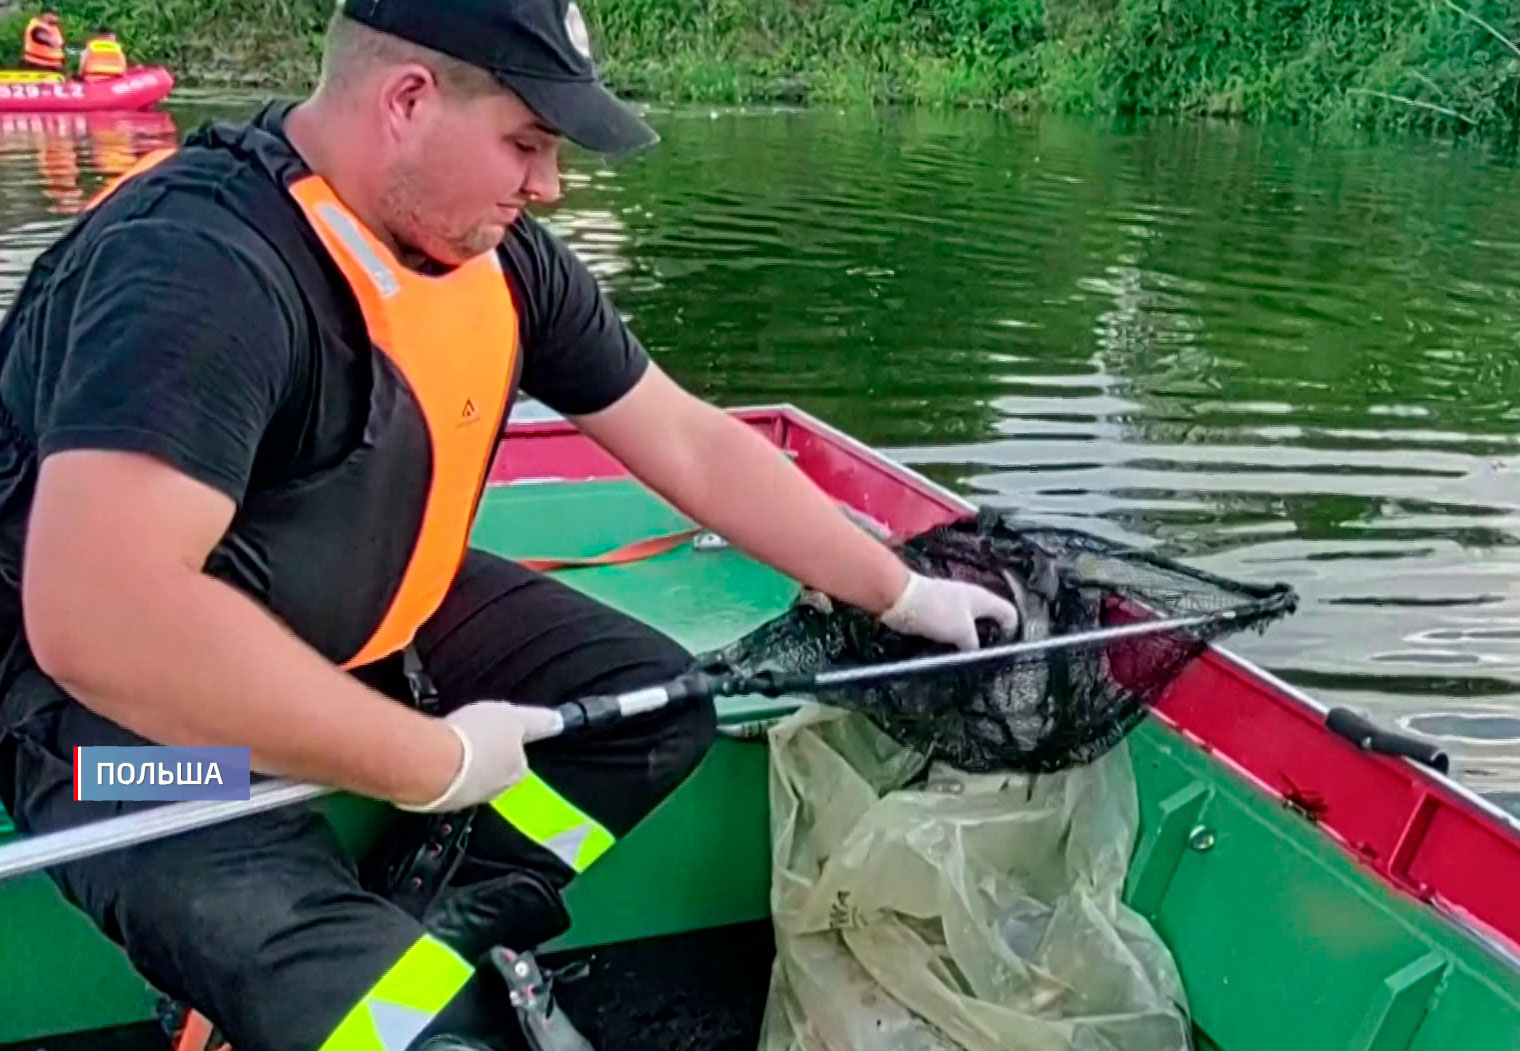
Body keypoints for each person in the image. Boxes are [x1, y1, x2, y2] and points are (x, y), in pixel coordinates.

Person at [0, 1, 1018, 1050]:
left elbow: (685, 437)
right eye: (525, 144)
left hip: (369, 614)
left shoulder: (495, 254)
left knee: (654, 709)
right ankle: (338, 982)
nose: (548, 185)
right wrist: (424, 763)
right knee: (395, 1027)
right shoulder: (200, 269)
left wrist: (899, 589)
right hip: (123, 737)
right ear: (407, 102)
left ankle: (444, 917)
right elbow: (102, 623)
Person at [20, 6, 62, 73]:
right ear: (46, 15)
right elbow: (52, 42)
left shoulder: (52, 28)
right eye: (55, 15)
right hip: (38, 66)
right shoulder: (37, 28)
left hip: (50, 67)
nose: (58, 18)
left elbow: (59, 46)